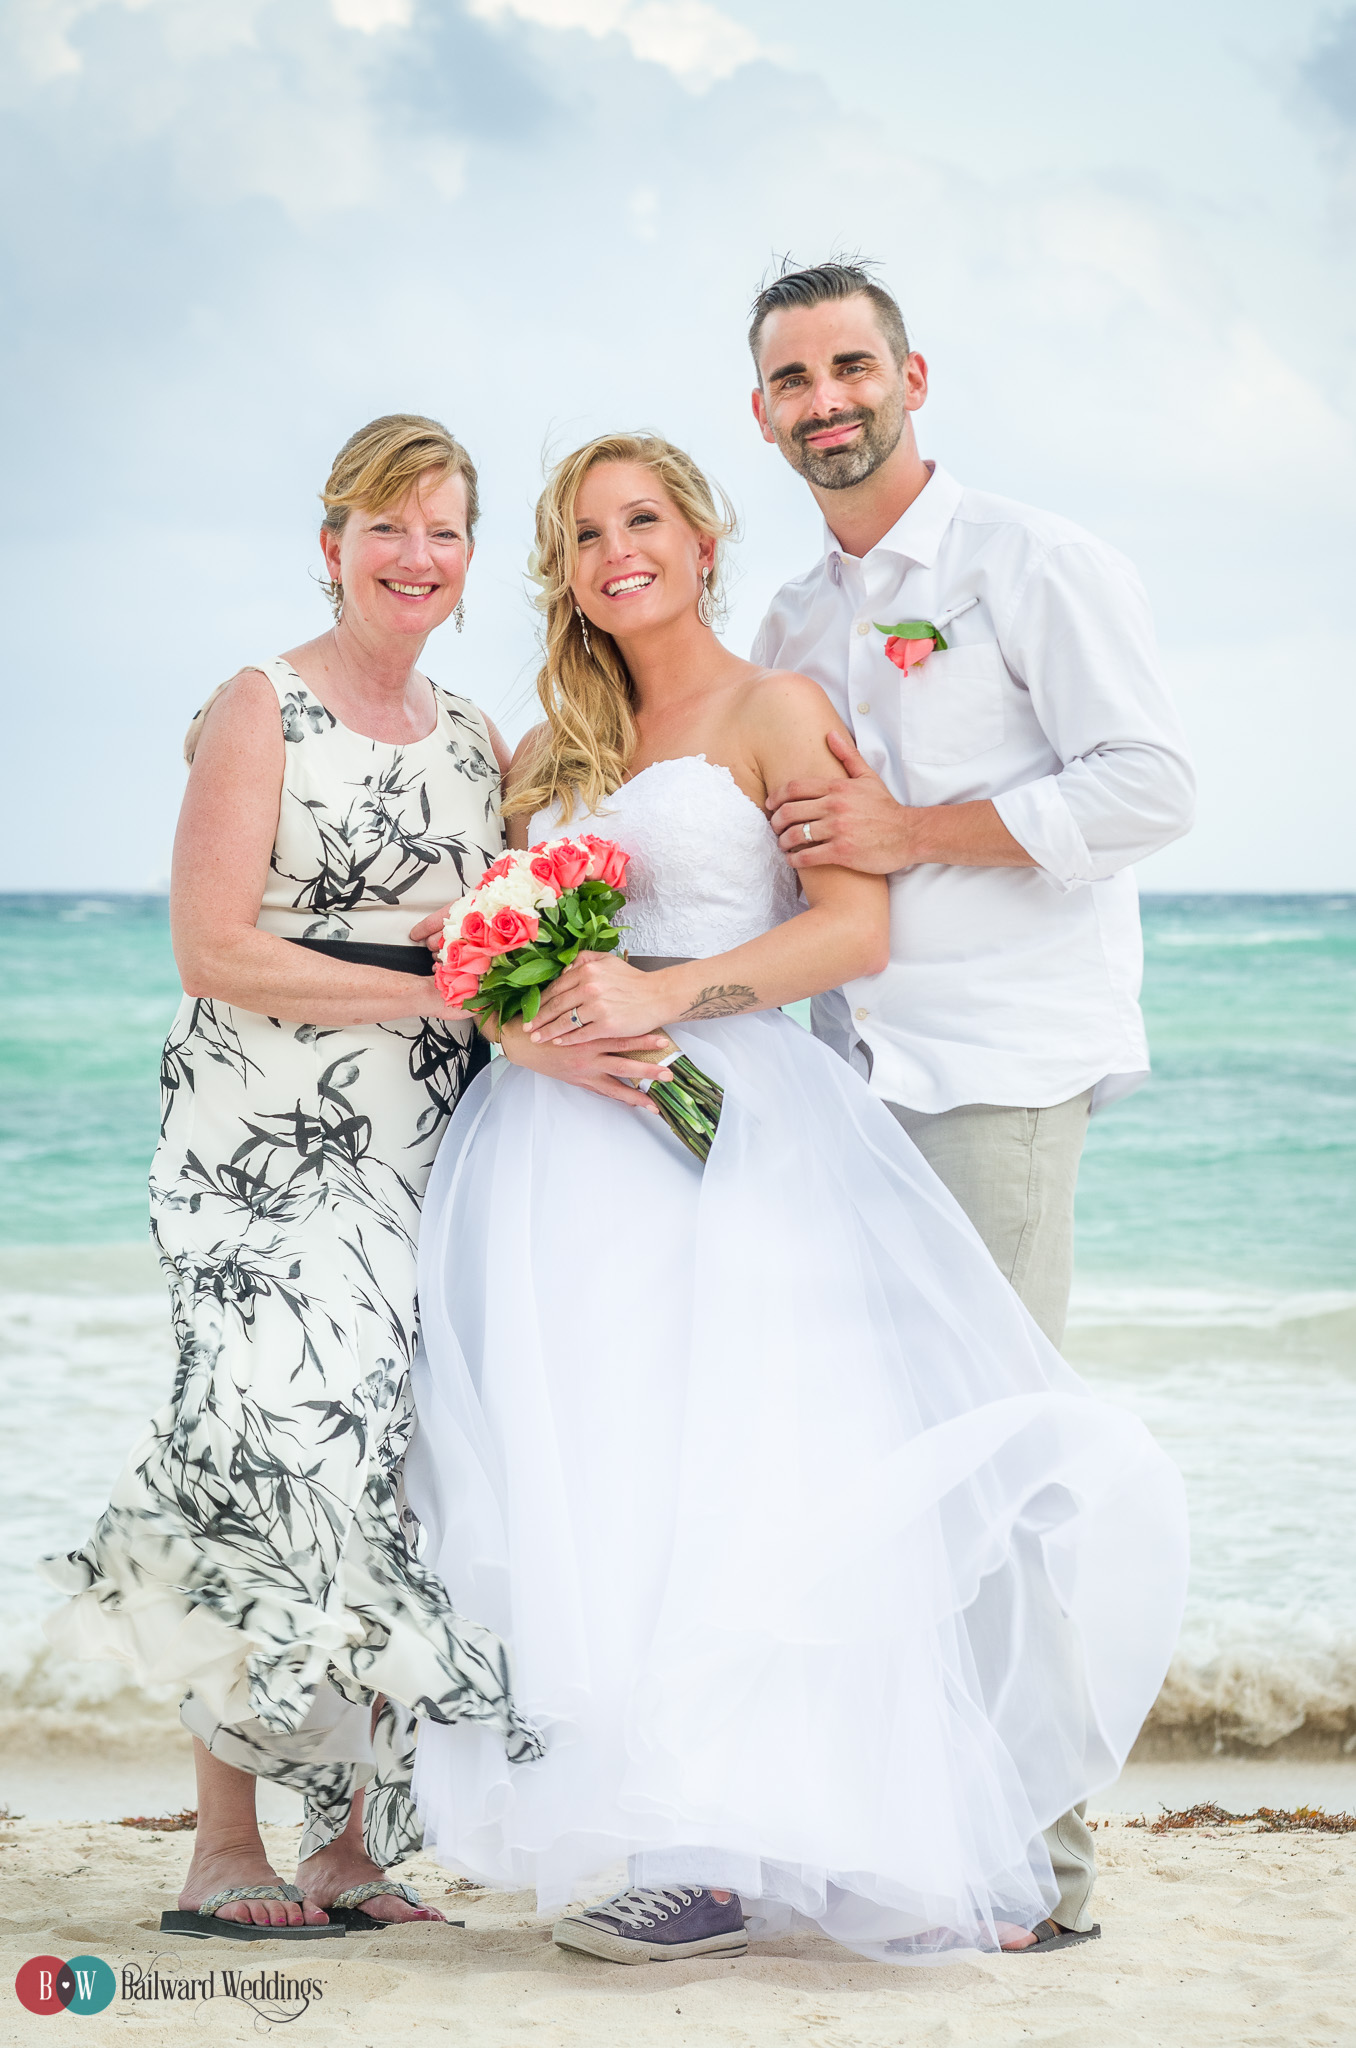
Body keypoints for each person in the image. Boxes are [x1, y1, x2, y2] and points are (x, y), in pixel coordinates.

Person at [403, 432, 1188, 1964]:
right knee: (610, 1479)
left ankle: (729, 1847)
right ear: (559, 573)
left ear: (702, 539)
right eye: (581, 533)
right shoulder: (552, 748)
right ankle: (653, 1827)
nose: (614, 549)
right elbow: (493, 960)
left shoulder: (780, 705)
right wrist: (532, 1026)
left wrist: (667, 996)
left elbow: (851, 937)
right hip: (564, 1153)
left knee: (743, 1470)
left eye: (642, 518)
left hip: (732, 1129)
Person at [42, 414, 544, 1938]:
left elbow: (534, 919)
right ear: (331, 545)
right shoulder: (263, 708)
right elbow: (214, 947)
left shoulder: (477, 743)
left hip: (428, 1158)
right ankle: (221, 1845)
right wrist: (433, 979)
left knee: (395, 1475)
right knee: (265, 1453)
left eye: (444, 530)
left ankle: (349, 1847)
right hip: (258, 1159)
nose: (415, 555)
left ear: (469, 562)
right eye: (385, 527)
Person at [746, 258, 1197, 1943]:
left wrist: (915, 836)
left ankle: (1046, 1873)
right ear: (765, 412)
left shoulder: (1035, 564)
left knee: (1009, 1479)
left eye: (851, 366)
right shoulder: (792, 624)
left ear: (914, 374)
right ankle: (921, 1832)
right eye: (795, 380)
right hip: (843, 1088)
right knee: (893, 1478)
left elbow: (1151, 783)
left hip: (1001, 1068)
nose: (828, 401)